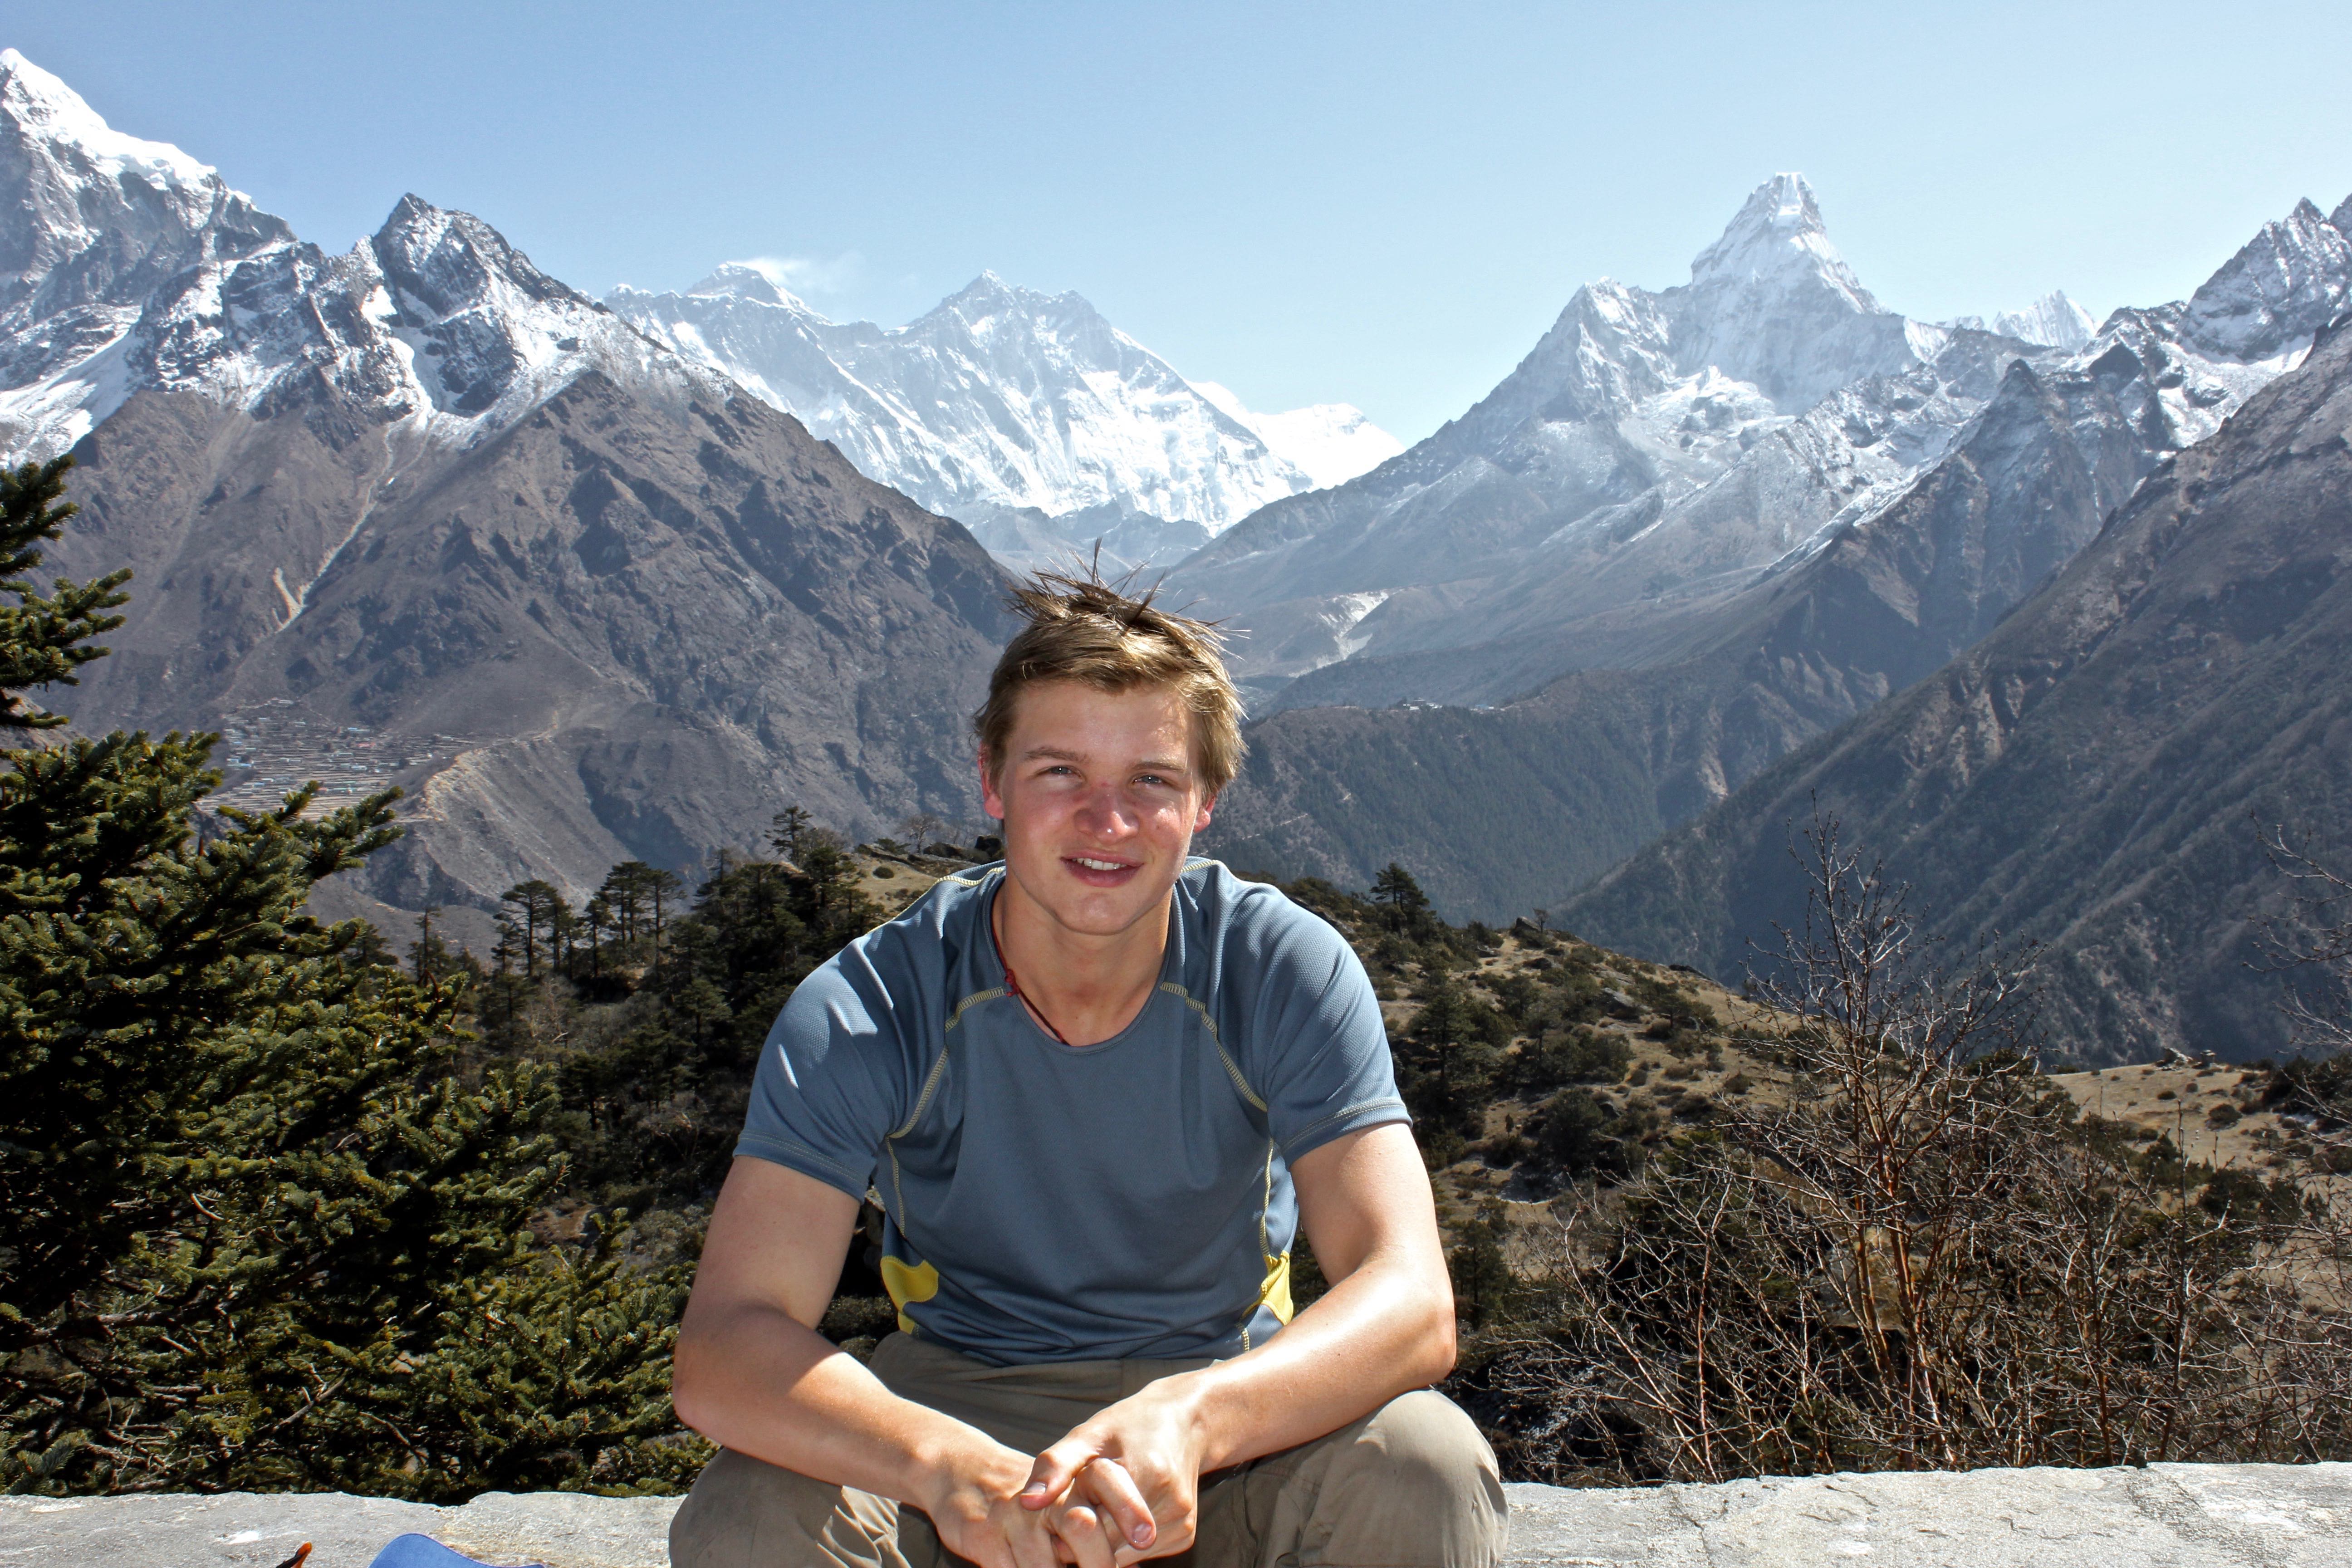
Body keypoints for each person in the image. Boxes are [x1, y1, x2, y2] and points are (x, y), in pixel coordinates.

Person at [668, 571, 1507, 1568]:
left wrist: (1196, 1420)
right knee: (751, 1513)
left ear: (1205, 804)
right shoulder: (873, 1006)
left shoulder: (1277, 966)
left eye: (1151, 780)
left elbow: (1411, 1297)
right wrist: (943, 1466)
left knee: (1424, 1463)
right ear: (992, 782)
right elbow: (726, 1341)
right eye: (1060, 772)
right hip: (961, 1413)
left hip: (1224, 1416)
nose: (1107, 821)